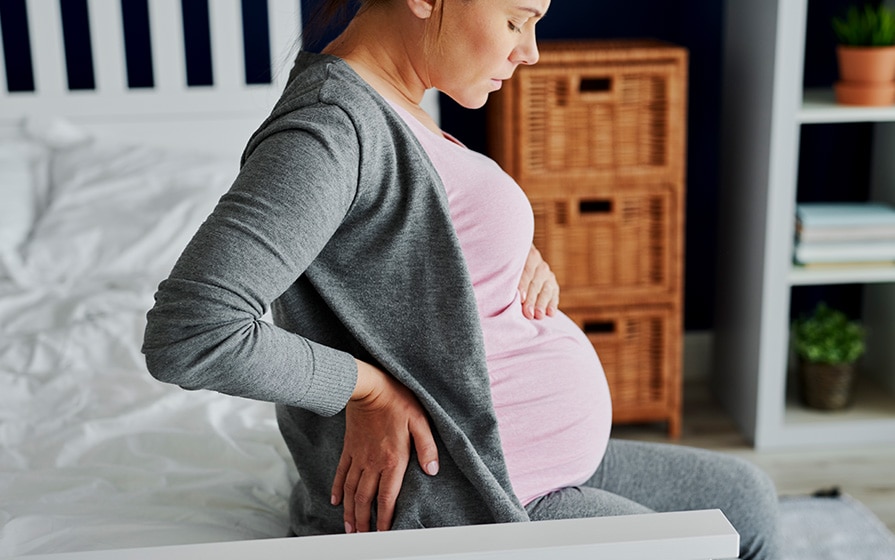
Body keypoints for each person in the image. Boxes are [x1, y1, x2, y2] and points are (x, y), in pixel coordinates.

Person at [142, 0, 781, 558]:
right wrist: (367, 391)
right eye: (515, 20)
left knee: (748, 499)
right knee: (697, 551)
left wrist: (513, 253)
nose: (529, 52)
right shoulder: (329, 130)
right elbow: (194, 332)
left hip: (520, 461)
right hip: (476, 498)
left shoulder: (394, 105)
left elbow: (402, 262)